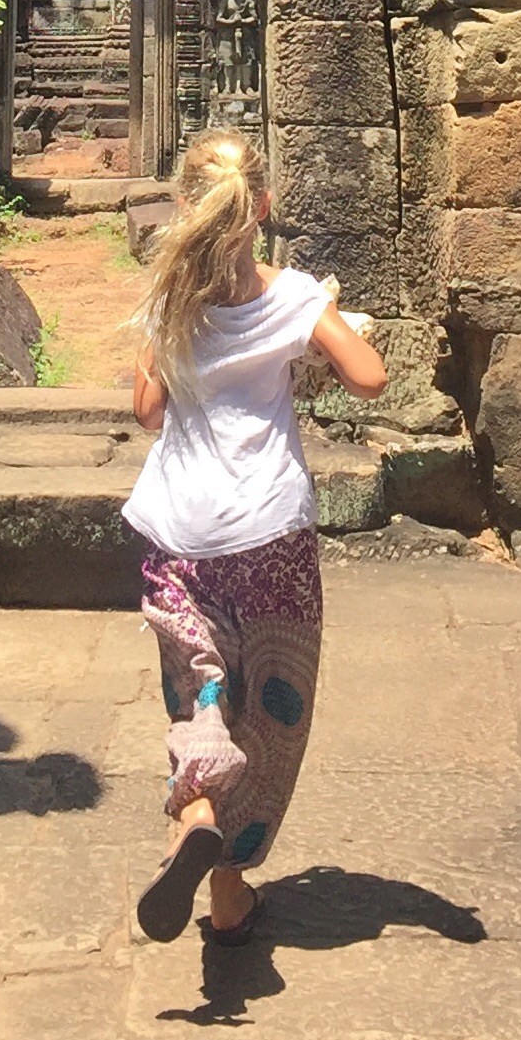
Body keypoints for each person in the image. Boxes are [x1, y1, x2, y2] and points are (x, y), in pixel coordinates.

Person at [122, 128, 389, 945]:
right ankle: (230, 885)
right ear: (262, 207)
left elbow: (147, 411)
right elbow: (370, 377)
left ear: (184, 208)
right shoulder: (295, 296)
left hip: (180, 533)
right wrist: (317, 333)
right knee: (270, 718)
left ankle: (196, 809)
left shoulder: (171, 299)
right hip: (271, 535)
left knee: (200, 687)